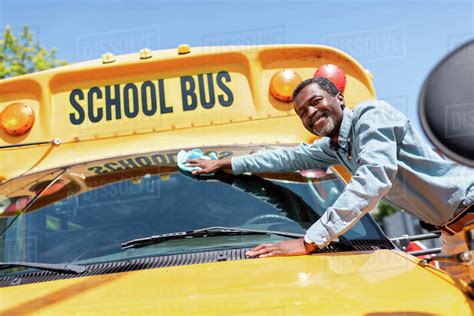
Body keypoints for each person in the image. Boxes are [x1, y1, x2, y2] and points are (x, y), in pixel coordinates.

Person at [187, 77, 474, 281]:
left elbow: (374, 178)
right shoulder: (336, 147)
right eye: (302, 112)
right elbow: (287, 159)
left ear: (339, 98)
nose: (310, 112)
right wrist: (227, 162)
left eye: (315, 102)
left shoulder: (372, 116)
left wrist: (309, 241)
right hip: (451, 233)